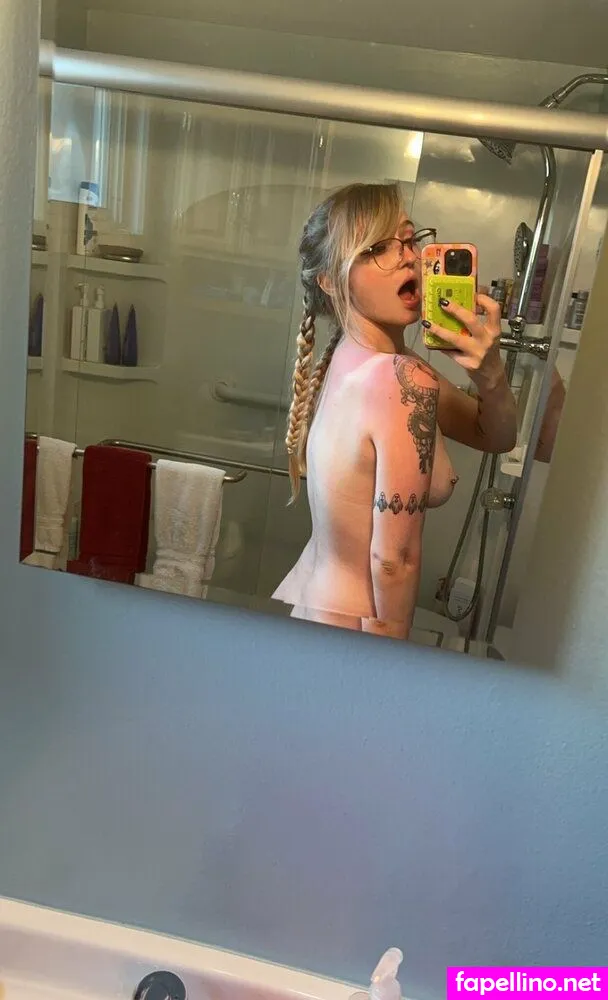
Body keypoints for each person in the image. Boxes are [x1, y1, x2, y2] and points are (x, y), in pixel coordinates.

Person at [272, 182, 517, 639]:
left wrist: (490, 374)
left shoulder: (360, 358)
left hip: (321, 612)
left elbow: (496, 437)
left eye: (407, 239)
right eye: (377, 248)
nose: (406, 257)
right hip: (360, 635)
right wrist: (392, 669)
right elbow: (394, 561)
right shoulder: (398, 379)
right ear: (331, 280)